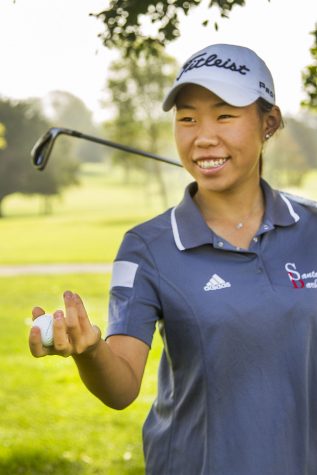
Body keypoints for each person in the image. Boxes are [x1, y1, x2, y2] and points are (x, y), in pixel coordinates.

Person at [29, 44, 317, 475]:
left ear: (269, 123)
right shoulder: (147, 246)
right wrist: (89, 351)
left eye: (224, 115)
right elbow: (122, 386)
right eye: (187, 118)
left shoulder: (311, 227)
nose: (203, 135)